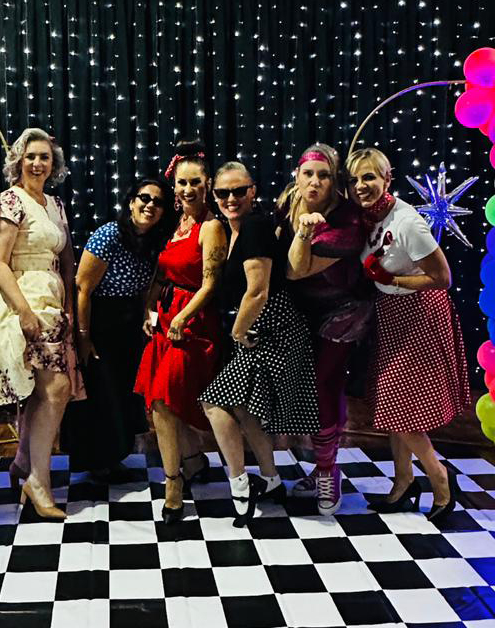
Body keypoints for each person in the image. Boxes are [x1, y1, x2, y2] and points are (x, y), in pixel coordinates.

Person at [347, 147, 470, 522]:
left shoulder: (407, 222)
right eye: (354, 179)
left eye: (369, 177)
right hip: (391, 314)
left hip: (419, 314)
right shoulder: (367, 218)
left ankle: (441, 480)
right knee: (395, 406)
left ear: (387, 178)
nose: (361, 185)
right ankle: (403, 483)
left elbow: (443, 278)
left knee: (398, 405)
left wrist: (392, 278)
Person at [199, 162, 320, 527]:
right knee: (246, 409)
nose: (231, 198)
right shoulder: (233, 229)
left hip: (270, 328)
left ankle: (240, 486)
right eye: (223, 193)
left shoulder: (254, 226)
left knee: (213, 403)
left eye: (239, 191)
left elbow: (258, 291)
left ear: (252, 191)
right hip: (260, 328)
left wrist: (237, 332)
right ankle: (270, 479)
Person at [0, 128, 83, 520]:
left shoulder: (55, 204)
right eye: (31, 156)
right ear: (19, 161)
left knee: (47, 392)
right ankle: (38, 481)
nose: (38, 163)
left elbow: (68, 259)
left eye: (44, 157)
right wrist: (24, 311)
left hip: (53, 299)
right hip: (23, 296)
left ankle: (24, 464)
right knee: (54, 388)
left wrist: (70, 307)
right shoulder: (10, 200)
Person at [134, 140, 227, 525]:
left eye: (195, 182)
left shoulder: (211, 227)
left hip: (193, 324)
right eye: (182, 183)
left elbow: (210, 284)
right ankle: (192, 461)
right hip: (166, 318)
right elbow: (161, 275)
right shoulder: (174, 225)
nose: (188, 189)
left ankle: (173, 482)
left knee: (164, 401)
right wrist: (150, 308)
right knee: (161, 403)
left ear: (207, 185)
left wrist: (181, 318)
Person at [276, 143, 371, 516]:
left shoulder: (347, 221)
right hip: (303, 311)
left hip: (344, 310)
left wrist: (302, 232)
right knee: (319, 387)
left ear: (335, 181)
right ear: (297, 175)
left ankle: (329, 470)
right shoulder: (287, 204)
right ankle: (322, 466)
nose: (314, 182)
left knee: (322, 384)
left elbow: (295, 270)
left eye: (324, 175)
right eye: (308, 174)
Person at [60, 176, 176, 481]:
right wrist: (83, 337)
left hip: (128, 322)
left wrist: (146, 317)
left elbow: (149, 288)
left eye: (158, 202)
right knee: (100, 391)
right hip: (99, 320)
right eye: (144, 198)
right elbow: (83, 288)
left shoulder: (154, 241)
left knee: (122, 392)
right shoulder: (109, 235)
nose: (150, 205)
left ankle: (113, 457)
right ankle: (94, 461)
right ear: (131, 202)